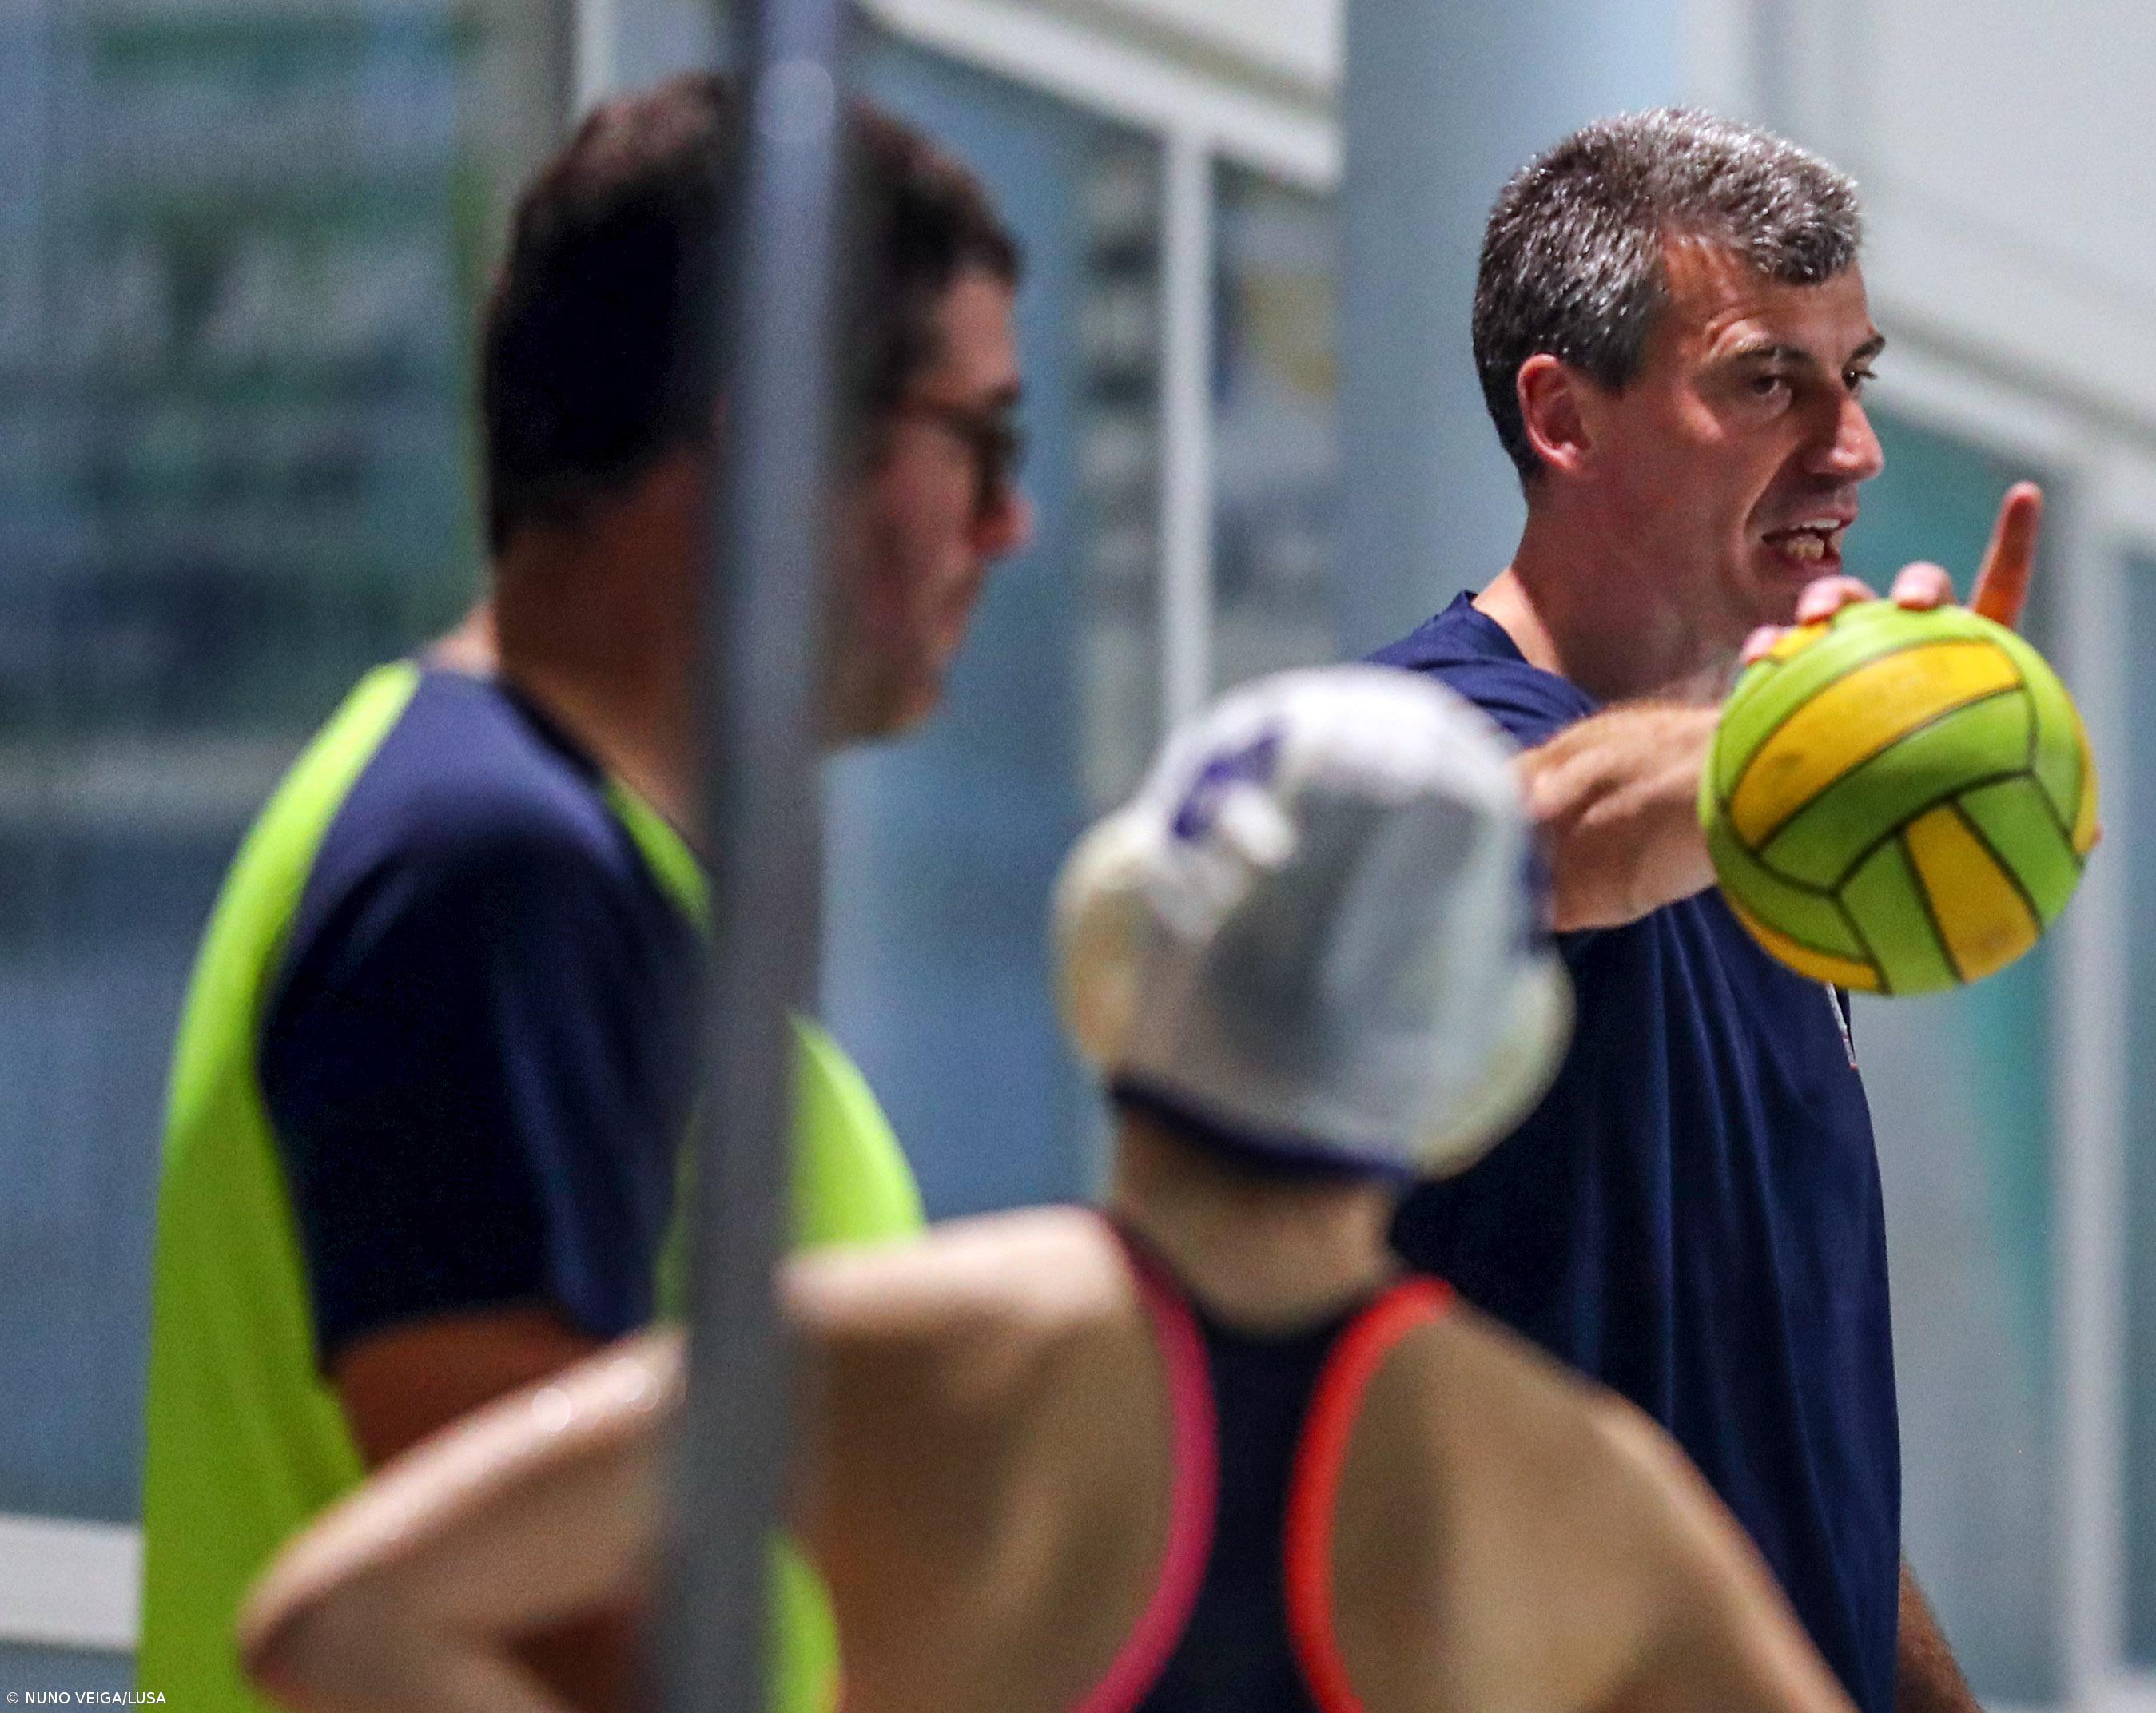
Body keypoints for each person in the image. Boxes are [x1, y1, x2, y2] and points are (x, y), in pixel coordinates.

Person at [236, 665, 1856, 1713]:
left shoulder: (888, 1357)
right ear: (1485, 1064)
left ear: (1115, 946)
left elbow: (340, 1620)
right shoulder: (1580, 1495)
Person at [138, 74, 1032, 1713]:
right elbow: (532, 1618)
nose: (1007, 522)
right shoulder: (490, 870)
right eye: (975, 439)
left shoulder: (522, 855)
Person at [1369, 111, 2043, 1713]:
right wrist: (1815, 735)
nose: (1852, 447)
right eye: (1764, 381)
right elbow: (1533, 836)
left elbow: (1789, 1437)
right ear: (1564, 418)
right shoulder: (1403, 757)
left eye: (1853, 378)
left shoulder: (1788, 862)